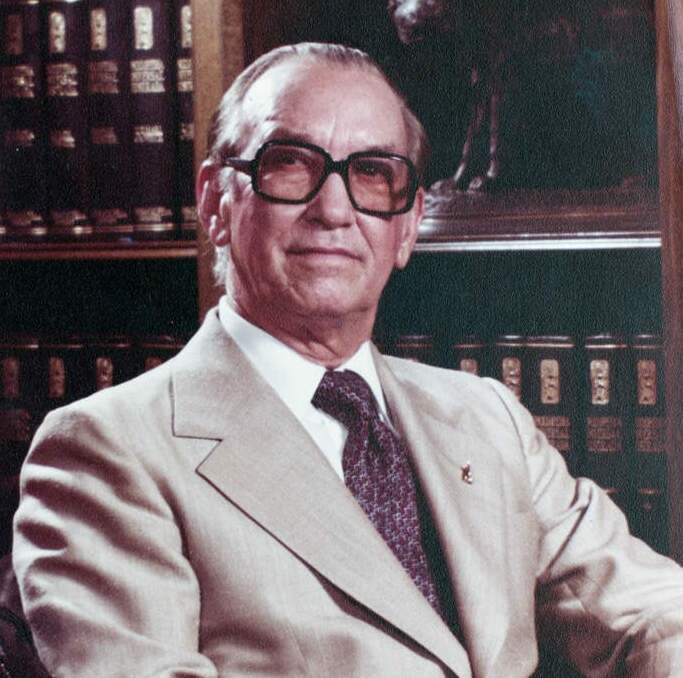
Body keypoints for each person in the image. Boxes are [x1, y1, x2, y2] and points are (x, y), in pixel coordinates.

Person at [11, 42, 683, 677]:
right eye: (290, 163)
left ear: (408, 225)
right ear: (215, 202)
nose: (332, 209)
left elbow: (656, 613)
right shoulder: (106, 451)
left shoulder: (486, 417)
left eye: (372, 173)